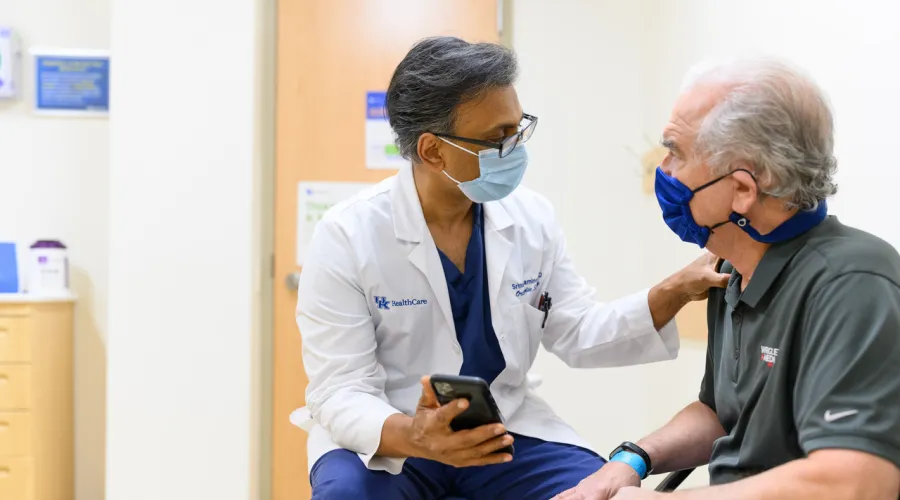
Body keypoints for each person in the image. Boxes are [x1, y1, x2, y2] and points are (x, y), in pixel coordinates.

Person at [295, 36, 727, 500]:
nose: (515, 148)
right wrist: (417, 435)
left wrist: (674, 290)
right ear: (432, 151)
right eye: (497, 137)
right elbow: (339, 390)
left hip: (502, 429)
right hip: (388, 438)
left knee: (598, 494)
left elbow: (577, 331)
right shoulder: (348, 234)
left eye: (518, 129)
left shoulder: (530, 219)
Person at [556, 57, 900, 500]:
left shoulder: (852, 282)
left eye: (676, 152)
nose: (663, 170)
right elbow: (721, 413)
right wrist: (633, 458)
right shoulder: (730, 269)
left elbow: (855, 481)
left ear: (742, 189)